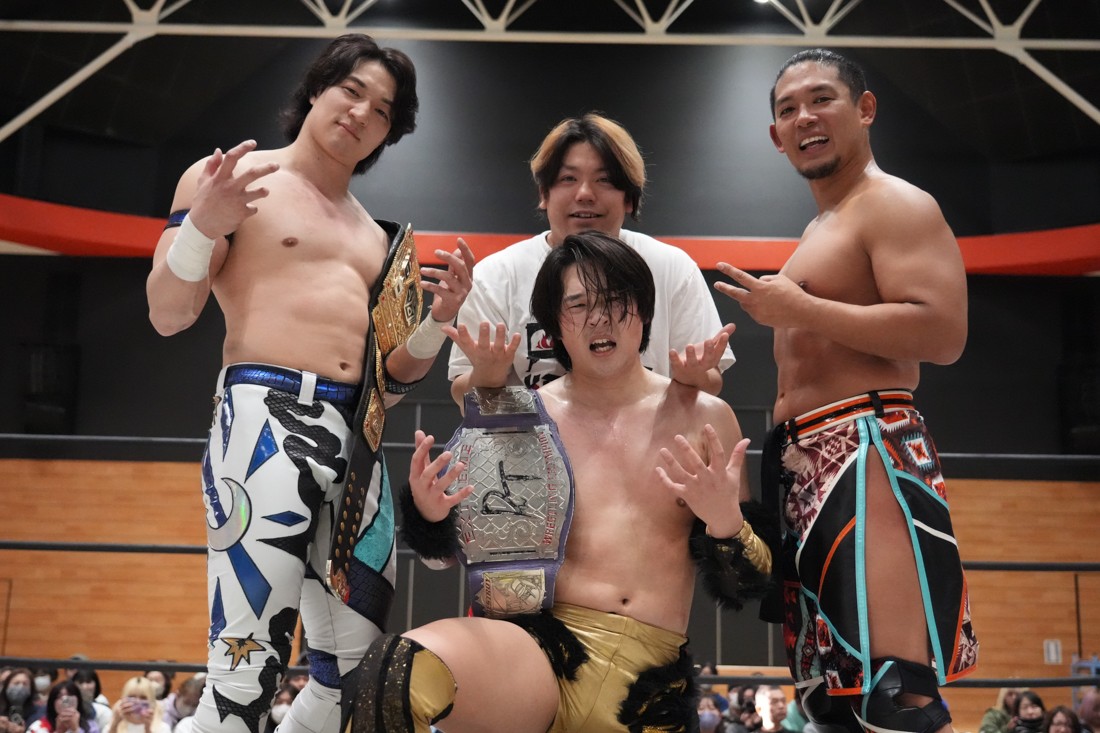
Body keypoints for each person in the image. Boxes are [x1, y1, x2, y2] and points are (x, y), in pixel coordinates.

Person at [146, 33, 473, 733]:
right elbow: (168, 313)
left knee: (357, 678)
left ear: (390, 133)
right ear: (317, 89)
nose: (361, 113)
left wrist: (438, 323)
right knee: (244, 676)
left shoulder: (379, 238)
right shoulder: (232, 179)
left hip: (360, 439)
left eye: (382, 110)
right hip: (262, 419)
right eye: (352, 91)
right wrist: (203, 224)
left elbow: (392, 379)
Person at [341, 231, 773, 733]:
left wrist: (725, 522)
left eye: (615, 300)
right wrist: (430, 514)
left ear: (644, 311)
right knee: (395, 673)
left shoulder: (703, 416)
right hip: (534, 654)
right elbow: (442, 559)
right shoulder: (519, 417)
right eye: (579, 304)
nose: (599, 318)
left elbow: (751, 584)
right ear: (553, 326)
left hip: (647, 686)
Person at [715, 48, 977, 733]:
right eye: (788, 109)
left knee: (895, 692)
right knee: (832, 699)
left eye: (821, 99)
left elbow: (943, 332)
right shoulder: (822, 228)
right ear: (776, 136)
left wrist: (801, 310)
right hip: (807, 463)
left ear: (865, 109)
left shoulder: (894, 204)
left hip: (868, 450)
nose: (804, 116)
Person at [446, 112, 734, 407]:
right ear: (544, 193)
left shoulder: (673, 267)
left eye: (604, 179)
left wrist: (692, 377)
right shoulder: (495, 276)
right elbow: (464, 395)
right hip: (532, 438)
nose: (585, 194)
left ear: (629, 197)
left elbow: (709, 383)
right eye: (568, 179)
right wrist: (488, 374)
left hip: (649, 435)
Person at [27, 681, 97, 733]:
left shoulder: (90, 726)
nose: (65, 700)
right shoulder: (38, 727)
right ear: (52, 702)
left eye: (70, 695)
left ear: (78, 700)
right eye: (59, 697)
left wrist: (76, 730)